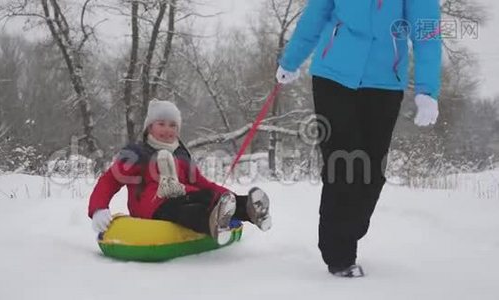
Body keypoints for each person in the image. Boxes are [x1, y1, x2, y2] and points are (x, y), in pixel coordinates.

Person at [276, 0, 441, 277]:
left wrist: (427, 90)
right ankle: (339, 253)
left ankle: (347, 230)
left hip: (385, 83)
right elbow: (315, 15)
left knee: (371, 171)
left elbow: (427, 34)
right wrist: (291, 60)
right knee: (343, 163)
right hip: (333, 76)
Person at [88, 99, 272, 245]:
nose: (167, 130)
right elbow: (110, 179)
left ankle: (249, 208)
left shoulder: (181, 155)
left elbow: (202, 183)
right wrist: (98, 208)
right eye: (161, 123)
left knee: (207, 195)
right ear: (149, 127)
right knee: (186, 209)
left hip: (184, 194)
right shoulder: (138, 154)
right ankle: (213, 221)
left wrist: (227, 195)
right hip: (154, 206)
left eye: (172, 125)